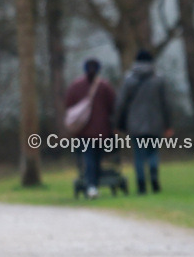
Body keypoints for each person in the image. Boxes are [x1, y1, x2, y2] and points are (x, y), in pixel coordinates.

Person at [116, 50, 174, 194]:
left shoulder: (129, 80)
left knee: (139, 156)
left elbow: (121, 104)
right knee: (153, 152)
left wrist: (118, 124)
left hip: (135, 125)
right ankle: (154, 176)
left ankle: (141, 185)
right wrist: (168, 125)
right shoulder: (159, 80)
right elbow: (166, 104)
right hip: (155, 123)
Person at [65, 59, 117, 199]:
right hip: (102, 131)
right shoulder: (105, 86)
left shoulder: (75, 86)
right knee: (97, 158)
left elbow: (68, 106)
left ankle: (91, 185)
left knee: (88, 158)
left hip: (82, 131)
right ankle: (93, 184)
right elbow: (113, 107)